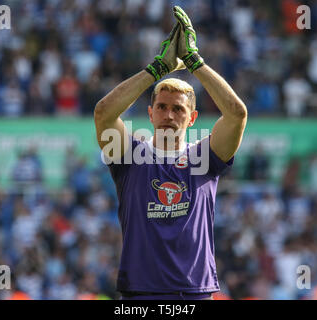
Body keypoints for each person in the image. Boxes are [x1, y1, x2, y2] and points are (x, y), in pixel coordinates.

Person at [94, 6, 247, 300]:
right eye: (162, 107)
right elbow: (103, 112)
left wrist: (194, 62)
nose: (168, 114)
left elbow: (237, 114)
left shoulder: (206, 157)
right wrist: (156, 70)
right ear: (150, 114)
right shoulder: (129, 156)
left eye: (178, 109)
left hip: (194, 292)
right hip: (140, 292)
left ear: (191, 118)